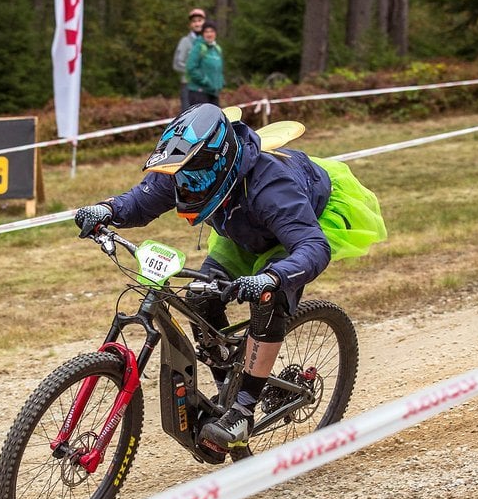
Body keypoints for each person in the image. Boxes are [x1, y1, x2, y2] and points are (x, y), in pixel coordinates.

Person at [73, 104, 387, 458]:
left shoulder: (273, 187)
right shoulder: (184, 169)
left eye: (192, 180)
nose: (184, 188)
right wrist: (107, 210)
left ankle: (242, 413)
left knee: (268, 299)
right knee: (200, 296)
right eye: (180, 179)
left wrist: (273, 277)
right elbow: (142, 199)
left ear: (218, 163)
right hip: (243, 226)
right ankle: (229, 377)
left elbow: (312, 247)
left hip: (304, 226)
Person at [173, 8, 206, 110]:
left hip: (205, 88)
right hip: (189, 87)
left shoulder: (207, 42)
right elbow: (177, 64)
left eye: (199, 21)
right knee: (188, 119)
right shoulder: (185, 41)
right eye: (194, 21)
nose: (197, 24)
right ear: (190, 24)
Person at [185, 21, 224, 107]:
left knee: (215, 119)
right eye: (206, 32)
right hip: (198, 93)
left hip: (213, 93)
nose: (209, 34)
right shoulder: (198, 47)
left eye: (212, 31)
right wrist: (205, 81)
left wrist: (220, 83)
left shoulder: (217, 49)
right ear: (202, 34)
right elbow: (191, 68)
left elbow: (219, 70)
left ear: (216, 33)